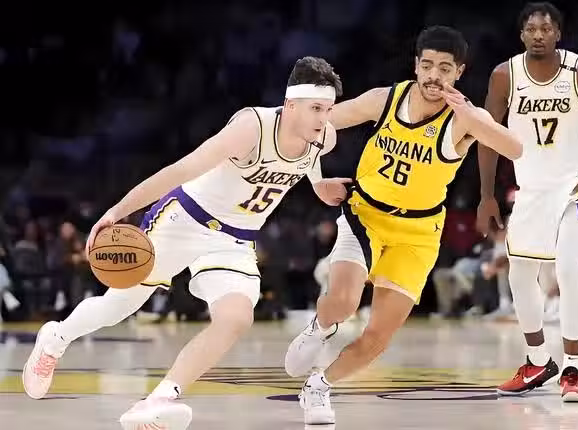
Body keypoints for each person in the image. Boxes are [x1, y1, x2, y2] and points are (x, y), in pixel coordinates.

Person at [22, 56, 348, 430]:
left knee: (236, 318)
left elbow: (307, 162)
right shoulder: (250, 128)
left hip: (234, 239)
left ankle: (158, 400)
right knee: (120, 305)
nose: (324, 118)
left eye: (328, 109)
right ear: (290, 105)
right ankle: (55, 339)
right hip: (185, 219)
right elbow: (180, 170)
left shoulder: (323, 137)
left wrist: (318, 184)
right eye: (316, 108)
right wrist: (117, 211)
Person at [284, 25, 523, 425]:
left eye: (444, 68)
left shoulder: (465, 117)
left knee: (378, 337)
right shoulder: (385, 99)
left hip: (418, 234)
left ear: (459, 72)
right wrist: (316, 179)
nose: (434, 75)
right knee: (343, 302)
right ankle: (319, 327)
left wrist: (472, 116)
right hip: (365, 215)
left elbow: (515, 148)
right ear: (415, 65)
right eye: (427, 65)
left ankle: (319, 386)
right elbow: (317, 124)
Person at [477, 2, 578, 402]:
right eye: (531, 30)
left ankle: (572, 369)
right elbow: (487, 135)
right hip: (532, 189)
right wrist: (486, 195)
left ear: (558, 33)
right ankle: (538, 360)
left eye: (546, 29)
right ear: (521, 35)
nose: (538, 35)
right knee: (519, 274)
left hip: (577, 185)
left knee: (567, 266)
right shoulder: (504, 75)